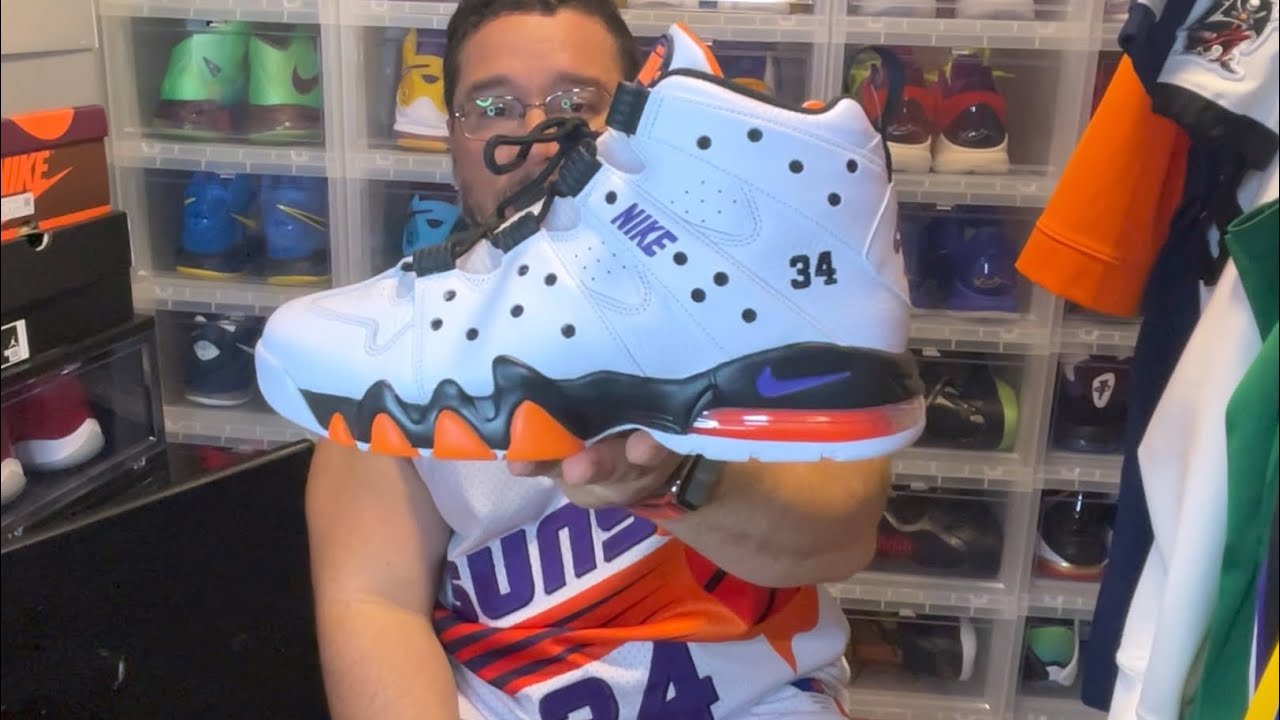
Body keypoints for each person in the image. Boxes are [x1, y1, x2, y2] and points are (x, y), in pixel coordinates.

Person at [306, 1, 892, 717]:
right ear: (454, 140)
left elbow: (841, 534)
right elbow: (374, 603)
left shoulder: (758, 301)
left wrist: (671, 478)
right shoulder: (389, 347)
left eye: (575, 105)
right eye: (492, 108)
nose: (538, 141)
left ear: (639, 123)